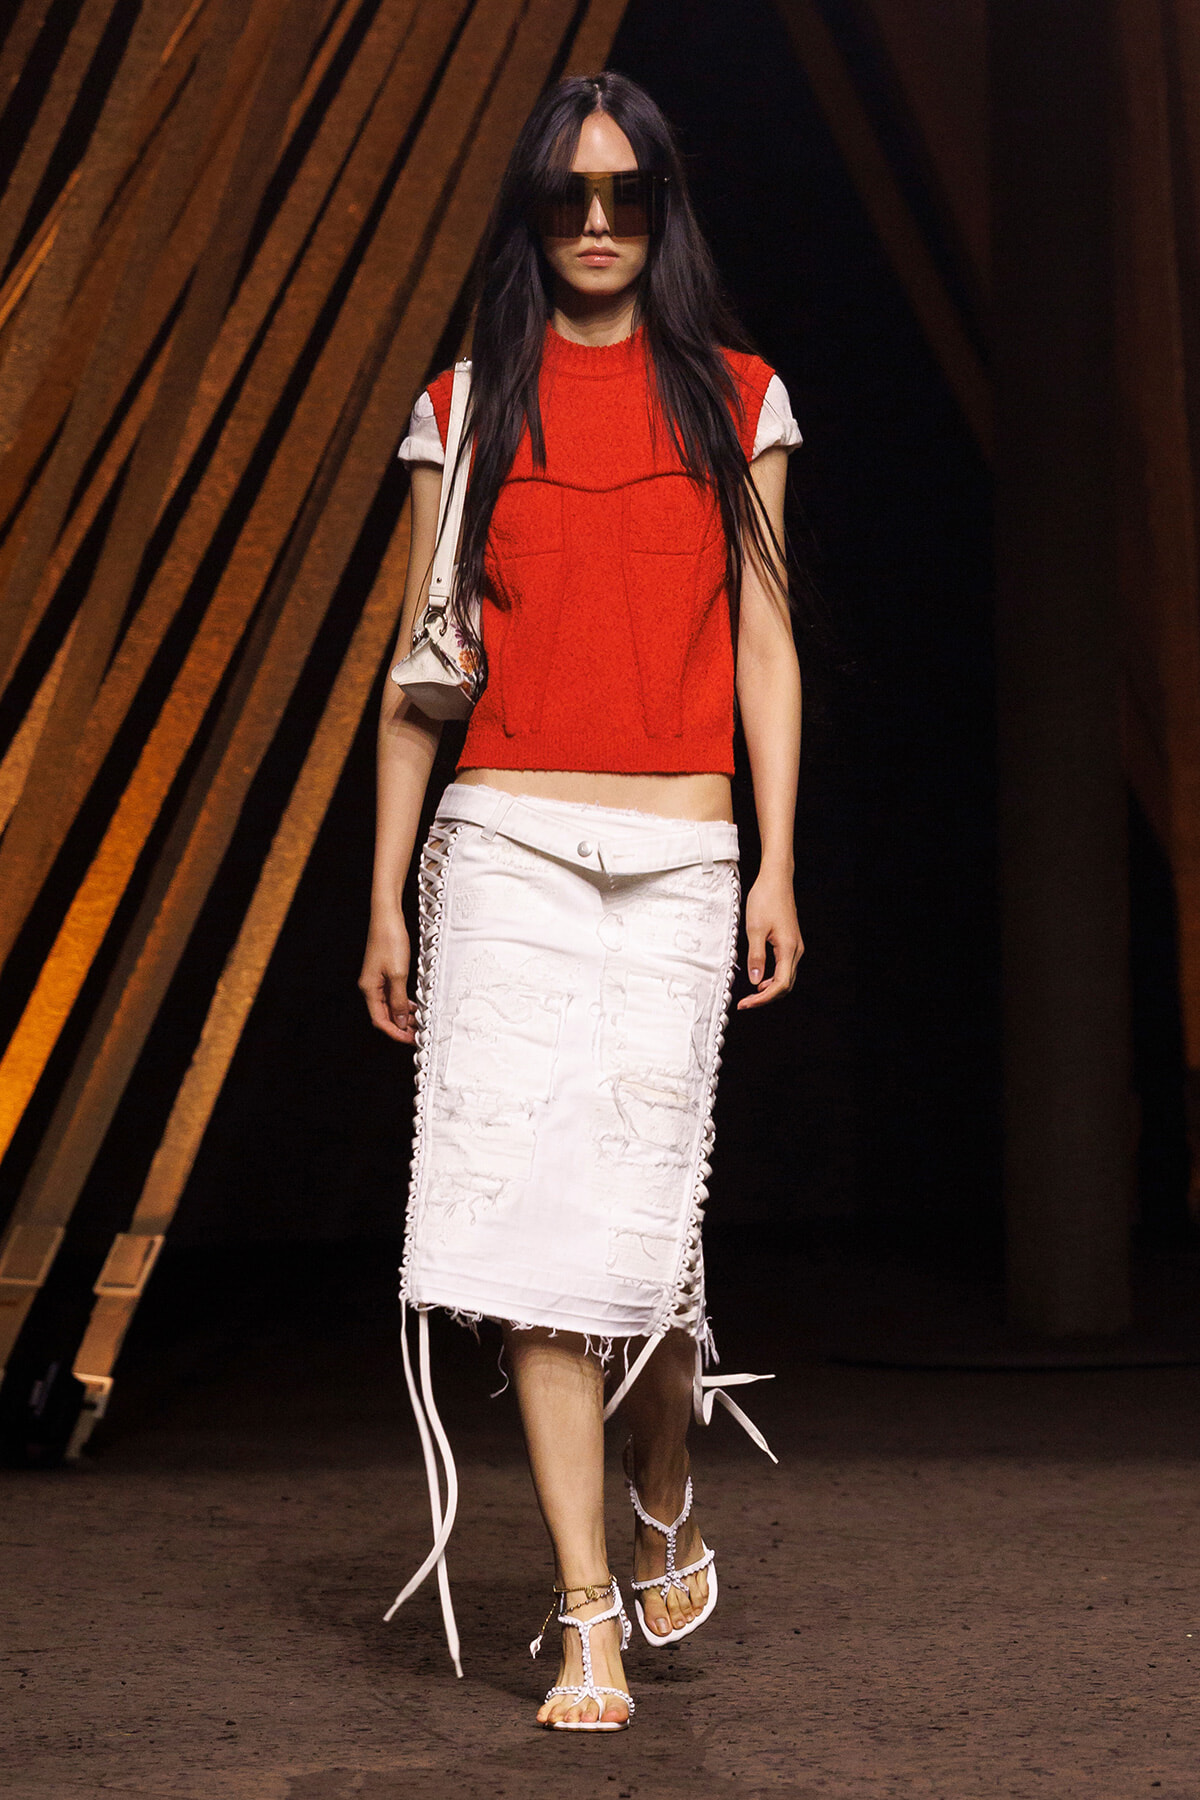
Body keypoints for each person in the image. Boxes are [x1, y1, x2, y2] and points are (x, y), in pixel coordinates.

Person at [360, 69, 803, 1733]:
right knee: (529, 1250)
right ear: (535, 213)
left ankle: (666, 1476)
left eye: (627, 195)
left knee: (641, 1246)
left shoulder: (739, 401)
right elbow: (419, 670)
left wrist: (780, 856)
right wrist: (392, 894)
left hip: (683, 858)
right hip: (506, 848)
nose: (599, 223)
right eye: (570, 198)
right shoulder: (467, 407)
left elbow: (766, 644)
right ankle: (584, 1611)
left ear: (664, 207)